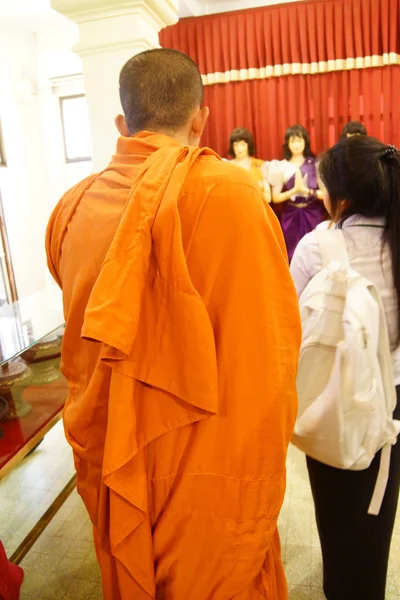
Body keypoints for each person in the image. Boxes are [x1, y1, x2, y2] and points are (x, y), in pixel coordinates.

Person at [46, 49, 300, 600]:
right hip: (206, 480)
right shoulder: (233, 195)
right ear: (201, 118)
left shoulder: (71, 207)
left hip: (114, 465)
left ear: (122, 124)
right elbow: (268, 363)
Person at [290, 136, 400, 600]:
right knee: (377, 519)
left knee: (336, 522)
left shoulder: (318, 248)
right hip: (394, 403)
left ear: (344, 197)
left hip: (334, 399)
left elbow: (288, 323)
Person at [269, 125, 324, 262]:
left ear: (305, 142)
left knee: (316, 252)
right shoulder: (280, 166)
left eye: (299, 140)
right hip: (290, 215)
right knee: (292, 254)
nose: (296, 145)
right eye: (292, 141)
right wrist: (294, 190)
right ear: (287, 144)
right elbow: (275, 198)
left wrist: (305, 190)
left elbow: (324, 194)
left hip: (312, 213)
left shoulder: (315, 164)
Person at [228, 127, 271, 201]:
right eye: (236, 145)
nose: (239, 148)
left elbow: (268, 198)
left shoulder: (260, 165)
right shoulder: (227, 166)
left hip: (256, 208)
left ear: (249, 145)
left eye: (243, 144)